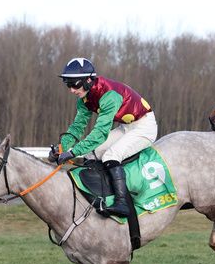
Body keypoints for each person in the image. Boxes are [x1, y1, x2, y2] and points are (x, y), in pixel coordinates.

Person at [53, 57, 157, 217]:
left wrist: (73, 152)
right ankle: (99, 195)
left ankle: (122, 203)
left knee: (111, 155)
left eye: (74, 84)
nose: (71, 90)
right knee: (91, 154)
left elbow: (100, 133)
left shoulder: (109, 95)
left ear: (88, 80)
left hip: (145, 127)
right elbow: (77, 127)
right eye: (68, 85)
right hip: (127, 127)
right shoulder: (84, 99)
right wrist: (61, 148)